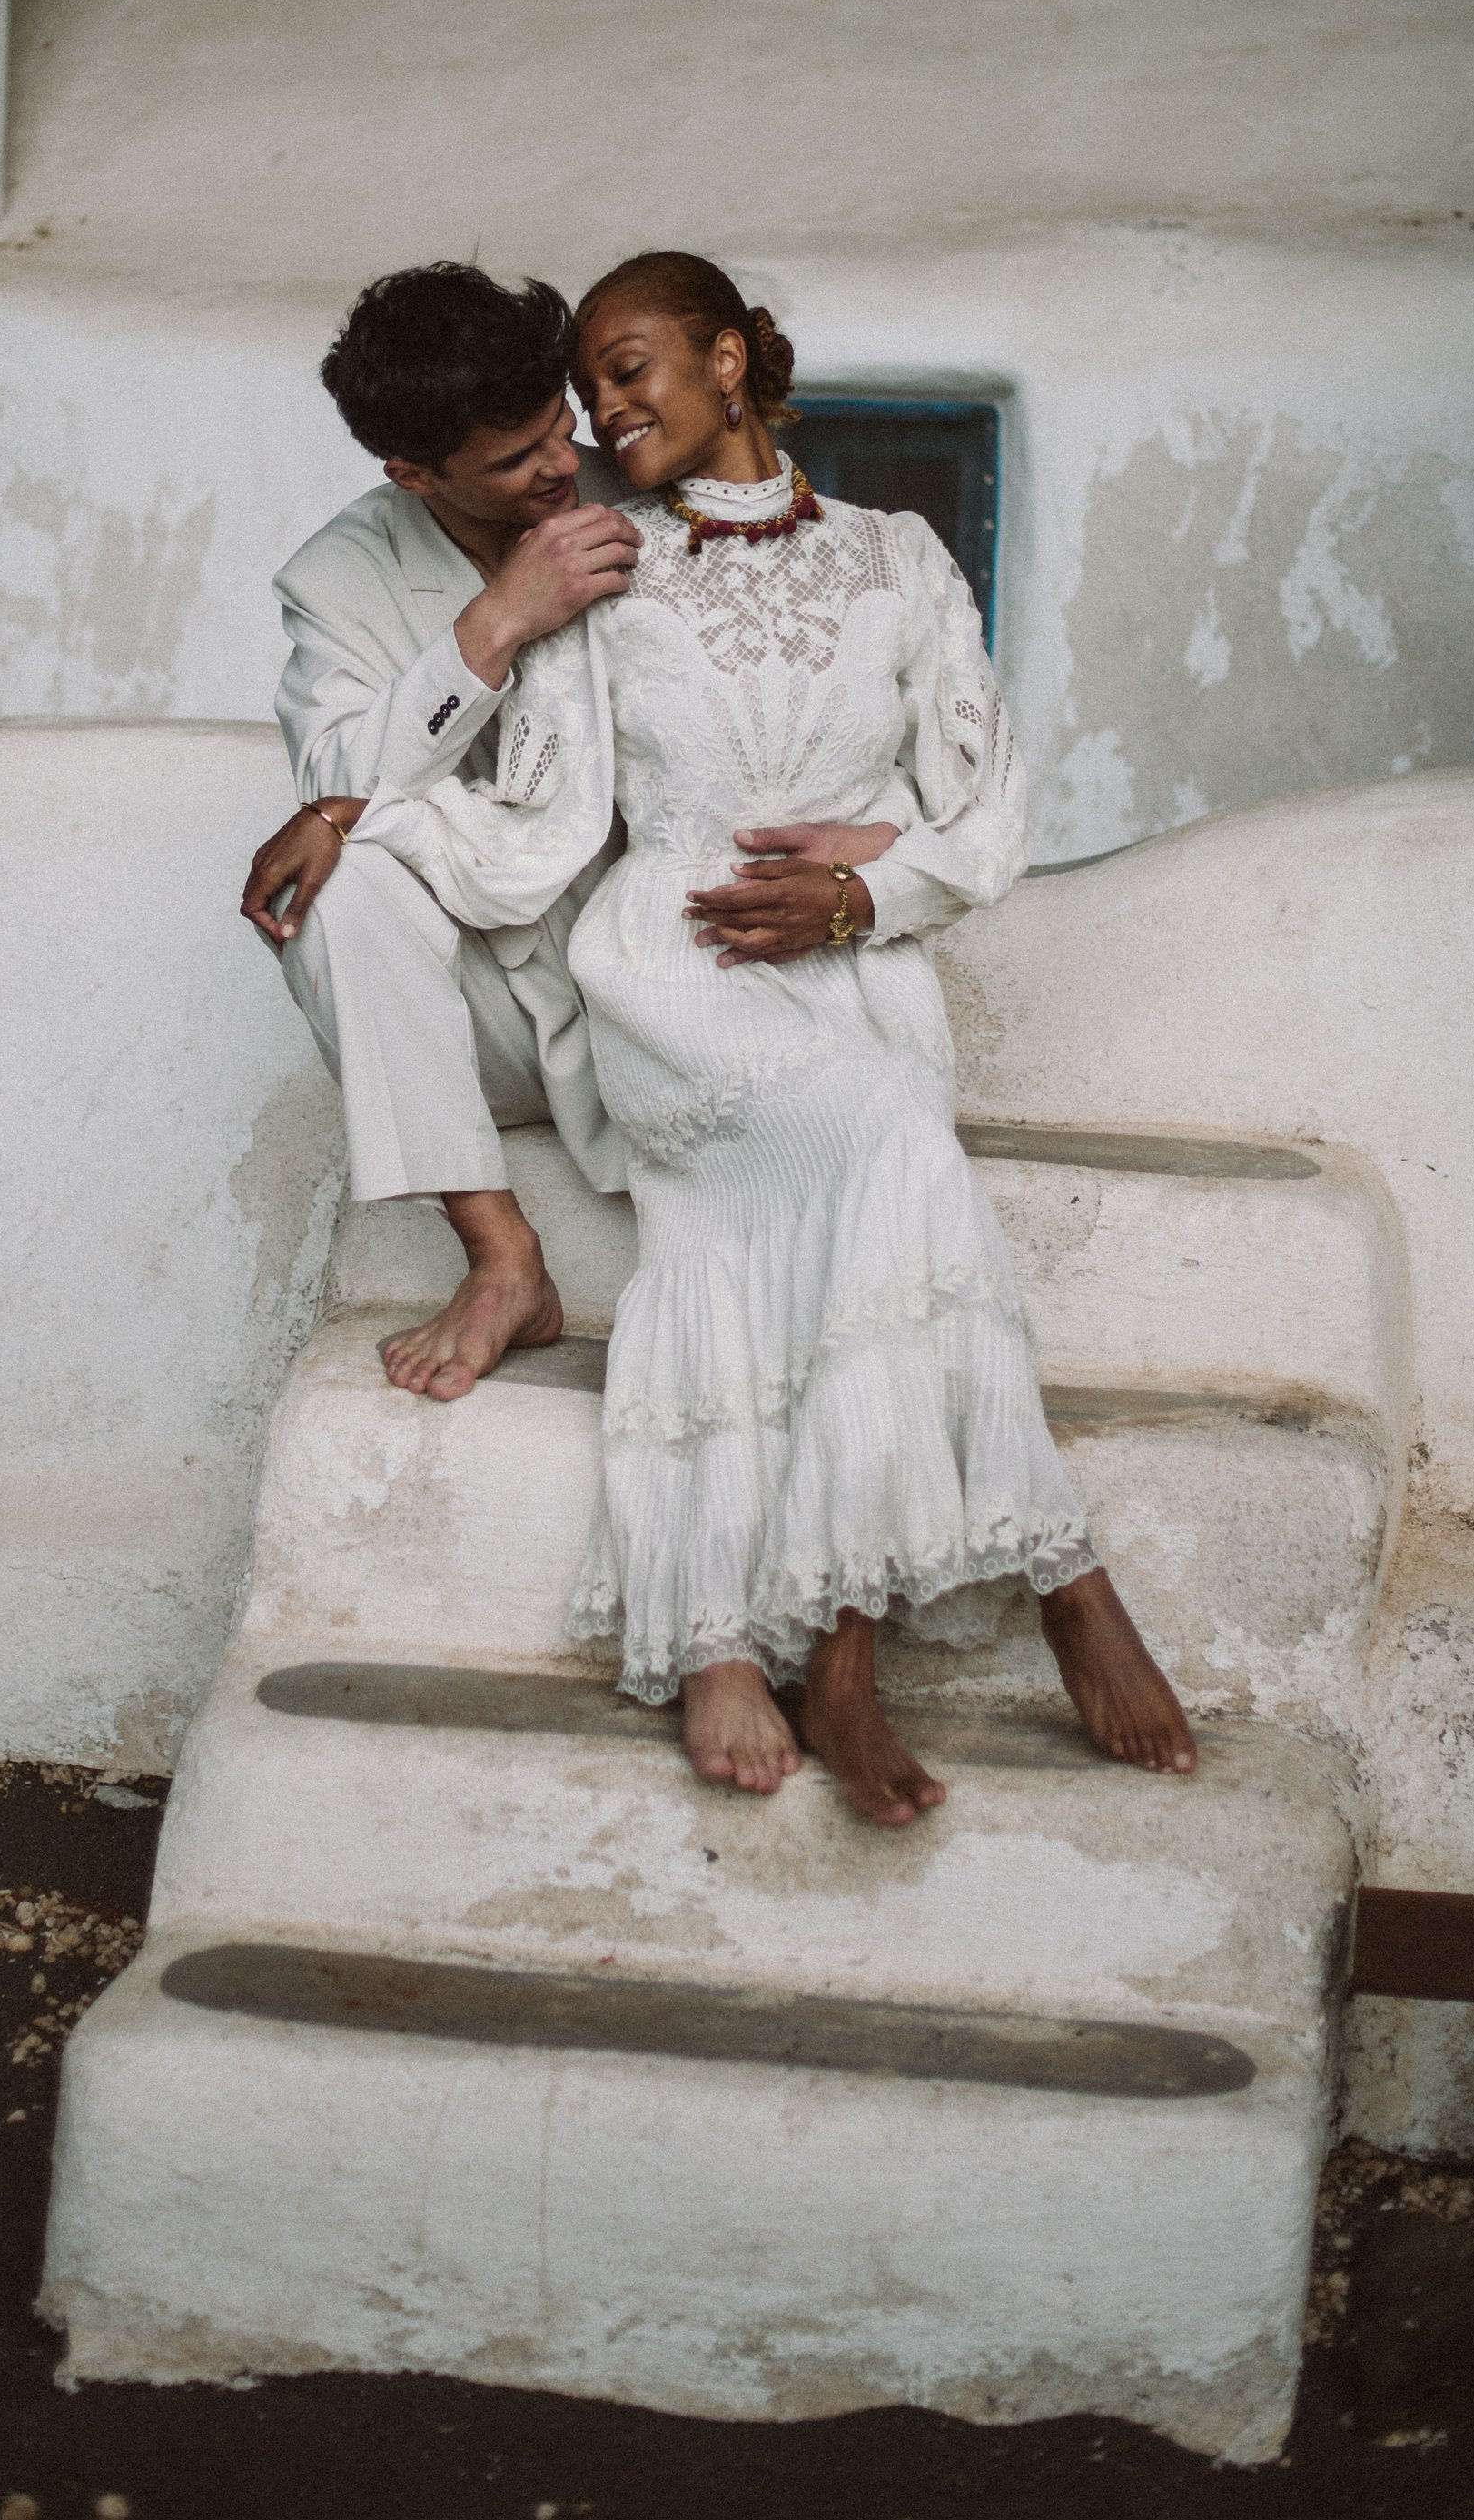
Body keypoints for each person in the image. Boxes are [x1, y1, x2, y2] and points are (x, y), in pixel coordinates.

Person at [325, 251, 1198, 1823]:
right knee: (894, 1147)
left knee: (871, 1162)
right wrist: (358, 823)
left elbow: (984, 815)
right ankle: (1069, 1583)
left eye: (629, 369)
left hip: (860, 973)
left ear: (728, 359)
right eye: (586, 389)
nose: (602, 412)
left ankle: (831, 1652)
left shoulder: (900, 556)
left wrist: (867, 889)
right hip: (677, 967)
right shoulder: (602, 567)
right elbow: (534, 836)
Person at [245, 262, 888, 1402]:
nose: (560, 462)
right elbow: (329, 788)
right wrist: (494, 624)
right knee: (333, 884)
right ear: (412, 473)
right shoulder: (336, 578)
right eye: (515, 458)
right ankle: (502, 1258)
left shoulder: (647, 488)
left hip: (672, 960)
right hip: (485, 1006)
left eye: (558, 423)